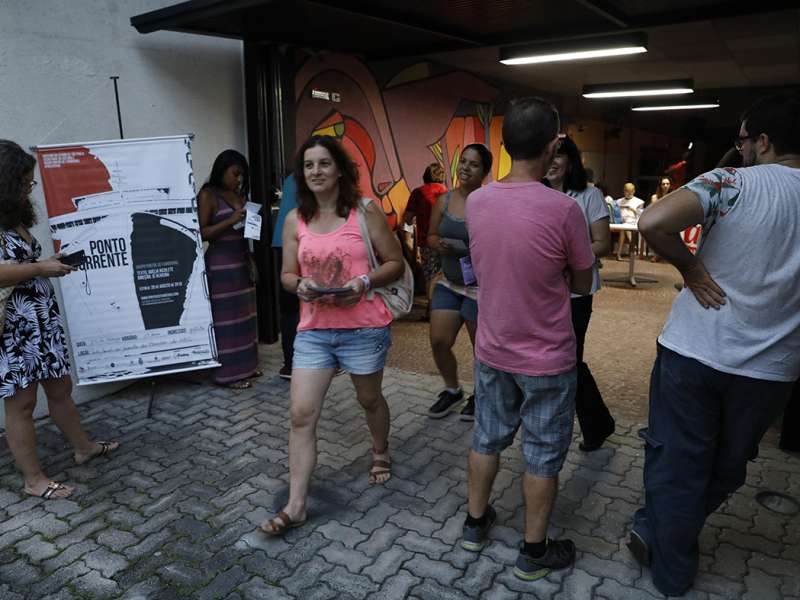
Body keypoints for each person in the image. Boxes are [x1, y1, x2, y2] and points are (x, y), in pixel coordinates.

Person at [630, 93, 800, 596]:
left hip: (694, 350)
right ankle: (661, 527)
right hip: (772, 369)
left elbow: (652, 222)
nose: (740, 149)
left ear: (763, 141)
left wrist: (691, 268)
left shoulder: (730, 181)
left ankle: (669, 562)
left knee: (679, 460)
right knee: (727, 467)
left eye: (743, 140)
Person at [463, 98, 595, 580]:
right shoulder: (564, 210)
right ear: (553, 145)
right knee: (541, 453)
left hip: (493, 349)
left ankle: (474, 524)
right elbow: (582, 284)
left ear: (502, 145)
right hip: (547, 357)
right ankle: (533, 552)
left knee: (487, 437)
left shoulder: (477, 201)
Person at [261, 135, 404, 535]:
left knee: (369, 398)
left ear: (339, 168)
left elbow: (395, 263)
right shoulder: (294, 219)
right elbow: (288, 274)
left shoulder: (365, 212)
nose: (316, 172)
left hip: (362, 328)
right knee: (300, 415)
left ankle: (380, 450)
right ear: (301, 174)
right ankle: (297, 504)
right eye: (308, 166)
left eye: (324, 164)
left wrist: (363, 282)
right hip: (315, 331)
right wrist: (299, 286)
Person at [0, 140, 119, 500]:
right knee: (21, 403)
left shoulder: (13, 216)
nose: (28, 188)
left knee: (59, 387)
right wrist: (40, 267)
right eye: (24, 181)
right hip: (16, 326)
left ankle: (83, 447)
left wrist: (51, 263)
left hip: (40, 320)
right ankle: (33, 479)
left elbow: (22, 265)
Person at [546, 136, 614, 451]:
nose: (551, 161)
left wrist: (566, 259)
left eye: (558, 155)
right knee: (547, 360)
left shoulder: (589, 195)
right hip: (541, 292)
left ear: (570, 160)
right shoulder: (536, 194)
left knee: (569, 360)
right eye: (546, 155)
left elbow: (602, 243)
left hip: (576, 291)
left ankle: (595, 423)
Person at [426, 144, 493, 421]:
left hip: (481, 288)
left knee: (482, 350)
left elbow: (499, 245)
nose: (465, 167)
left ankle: (482, 395)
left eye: (473, 164)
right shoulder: (444, 200)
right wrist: (440, 244)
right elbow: (429, 236)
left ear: (484, 171)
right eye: (462, 161)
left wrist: (469, 249)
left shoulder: (490, 202)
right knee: (439, 340)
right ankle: (452, 390)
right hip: (450, 282)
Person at [198, 150, 260, 389]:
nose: (238, 180)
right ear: (221, 169)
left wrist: (251, 256)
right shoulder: (208, 195)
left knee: (245, 319)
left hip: (241, 261)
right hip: (220, 265)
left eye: (241, 175)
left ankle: (247, 367)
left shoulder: (237, 195)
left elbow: (246, 232)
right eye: (235, 173)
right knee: (226, 321)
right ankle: (227, 376)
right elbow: (202, 233)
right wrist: (231, 220)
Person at [404, 163, 447, 319]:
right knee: (443, 274)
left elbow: (407, 219)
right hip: (447, 240)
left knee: (430, 274)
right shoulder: (448, 193)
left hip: (427, 240)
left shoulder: (418, 193)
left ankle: (431, 310)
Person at [271, 172, 300, 379]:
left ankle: (289, 364)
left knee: (288, 306)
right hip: (300, 239)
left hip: (281, 240)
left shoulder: (291, 178)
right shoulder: (310, 177)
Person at [615, 183, 644, 260]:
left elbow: (641, 215)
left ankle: (619, 254)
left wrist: (632, 209)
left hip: (633, 221)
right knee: (623, 228)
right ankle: (632, 246)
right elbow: (615, 213)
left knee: (624, 229)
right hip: (620, 222)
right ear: (624, 191)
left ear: (633, 191)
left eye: (630, 191)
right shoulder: (618, 201)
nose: (628, 193)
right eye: (626, 191)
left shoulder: (639, 202)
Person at [647, 176, 672, 262]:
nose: (665, 186)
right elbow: (654, 210)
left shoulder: (673, 195)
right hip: (657, 220)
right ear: (660, 185)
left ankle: (660, 254)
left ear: (670, 185)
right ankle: (658, 254)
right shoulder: (655, 197)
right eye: (663, 184)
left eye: (667, 184)